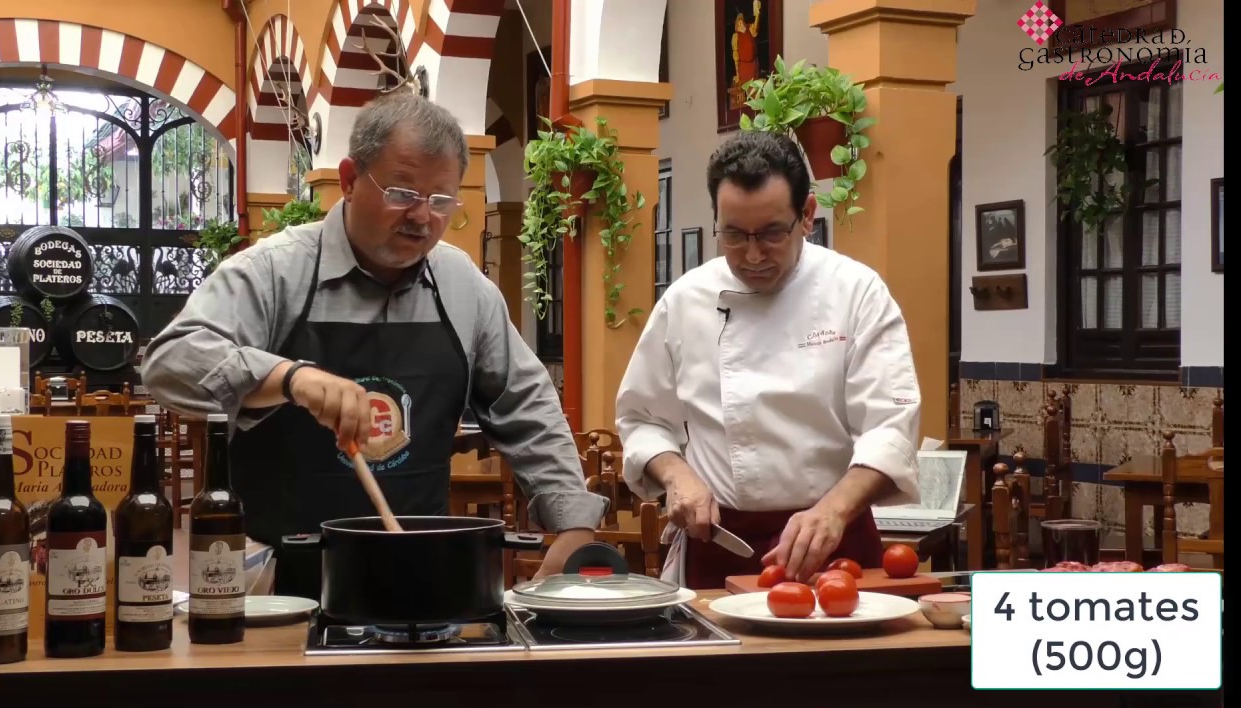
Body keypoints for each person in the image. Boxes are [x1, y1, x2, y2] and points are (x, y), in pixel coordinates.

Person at [142, 92, 605, 598]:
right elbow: (170, 361)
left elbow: (526, 404)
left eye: (442, 200)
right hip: (276, 578)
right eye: (402, 193)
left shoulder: (462, 286)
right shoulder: (274, 272)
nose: (422, 217)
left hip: (415, 563)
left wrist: (573, 520)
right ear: (348, 179)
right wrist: (289, 378)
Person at [614, 131, 922, 590]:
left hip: (832, 546)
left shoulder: (855, 292)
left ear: (808, 216)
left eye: (773, 233)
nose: (753, 255)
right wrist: (677, 475)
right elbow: (642, 418)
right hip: (718, 542)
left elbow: (890, 426)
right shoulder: (684, 301)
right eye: (734, 235)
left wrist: (833, 511)